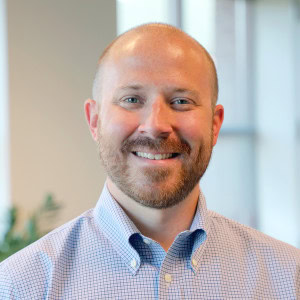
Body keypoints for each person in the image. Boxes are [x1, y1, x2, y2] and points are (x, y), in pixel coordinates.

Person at [0, 23, 299, 299]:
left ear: (215, 124)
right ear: (94, 121)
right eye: (131, 99)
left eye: (181, 101)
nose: (156, 125)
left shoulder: (288, 278)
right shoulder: (21, 286)